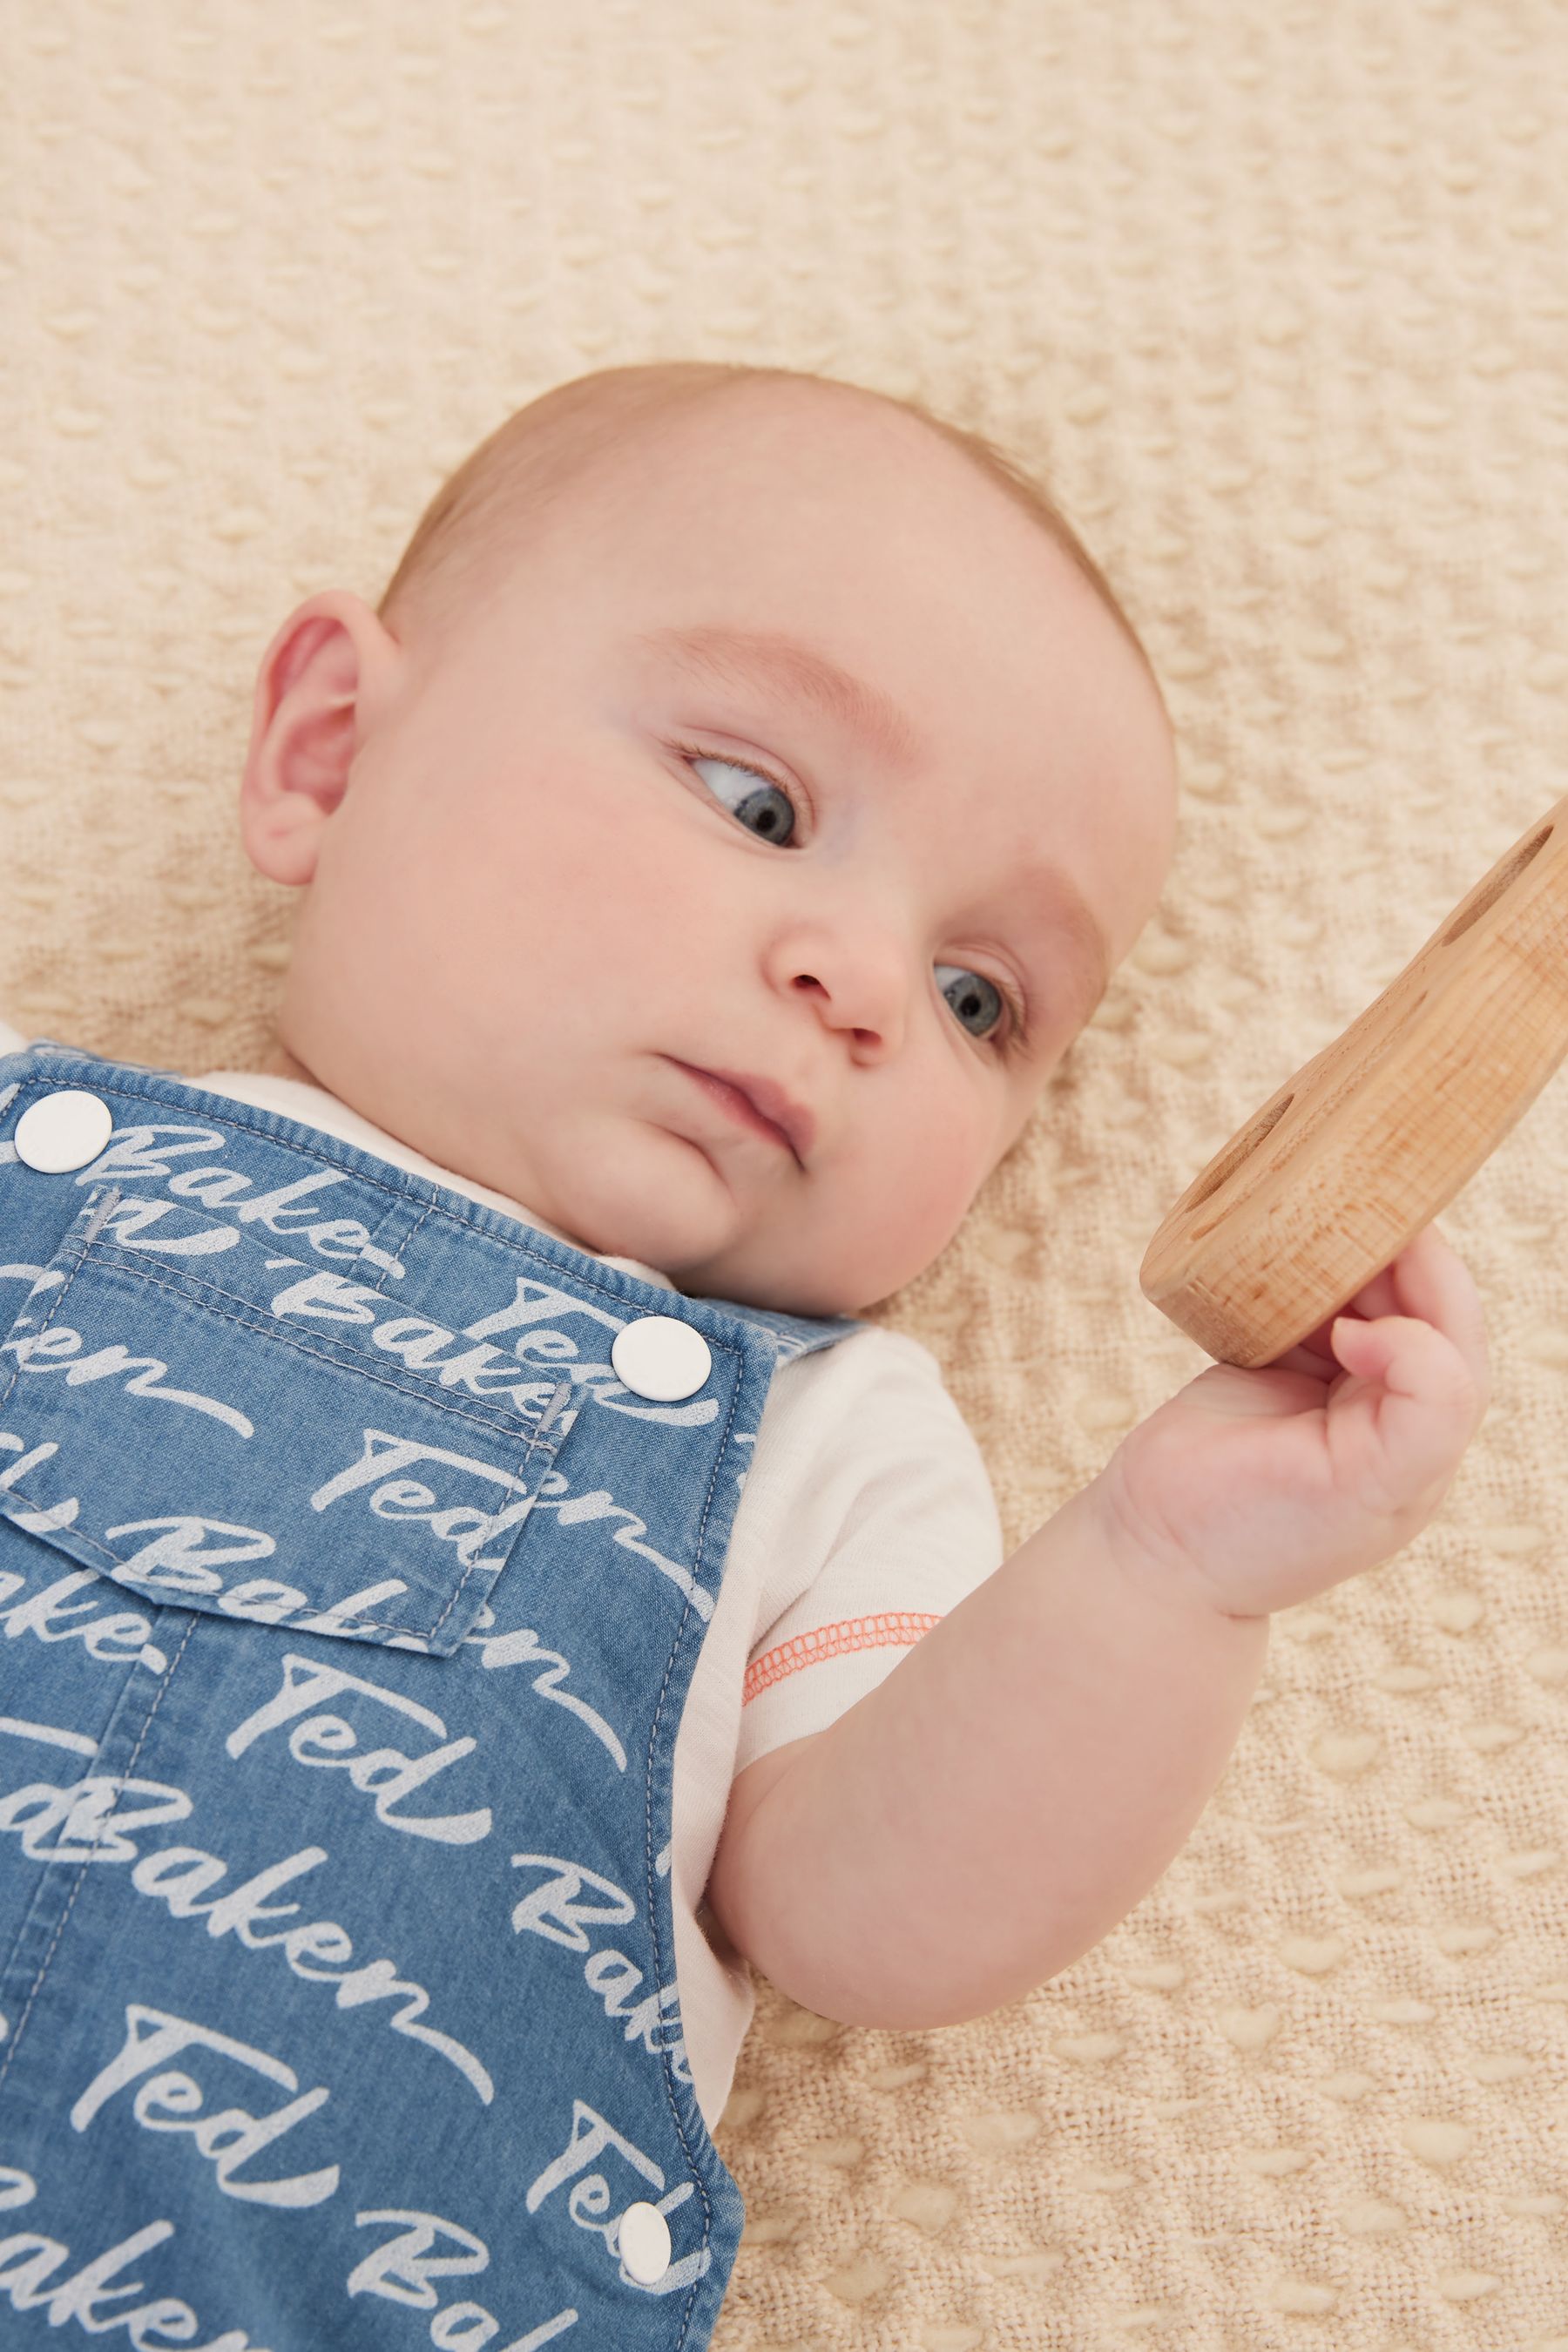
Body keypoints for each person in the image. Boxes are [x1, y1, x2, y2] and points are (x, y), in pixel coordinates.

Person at [0, 361, 1490, 2349]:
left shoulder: (823, 1444)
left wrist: (1164, 1562)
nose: (866, 981)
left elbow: (870, 1910)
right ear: (335, 751)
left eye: (982, 997)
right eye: (758, 802)